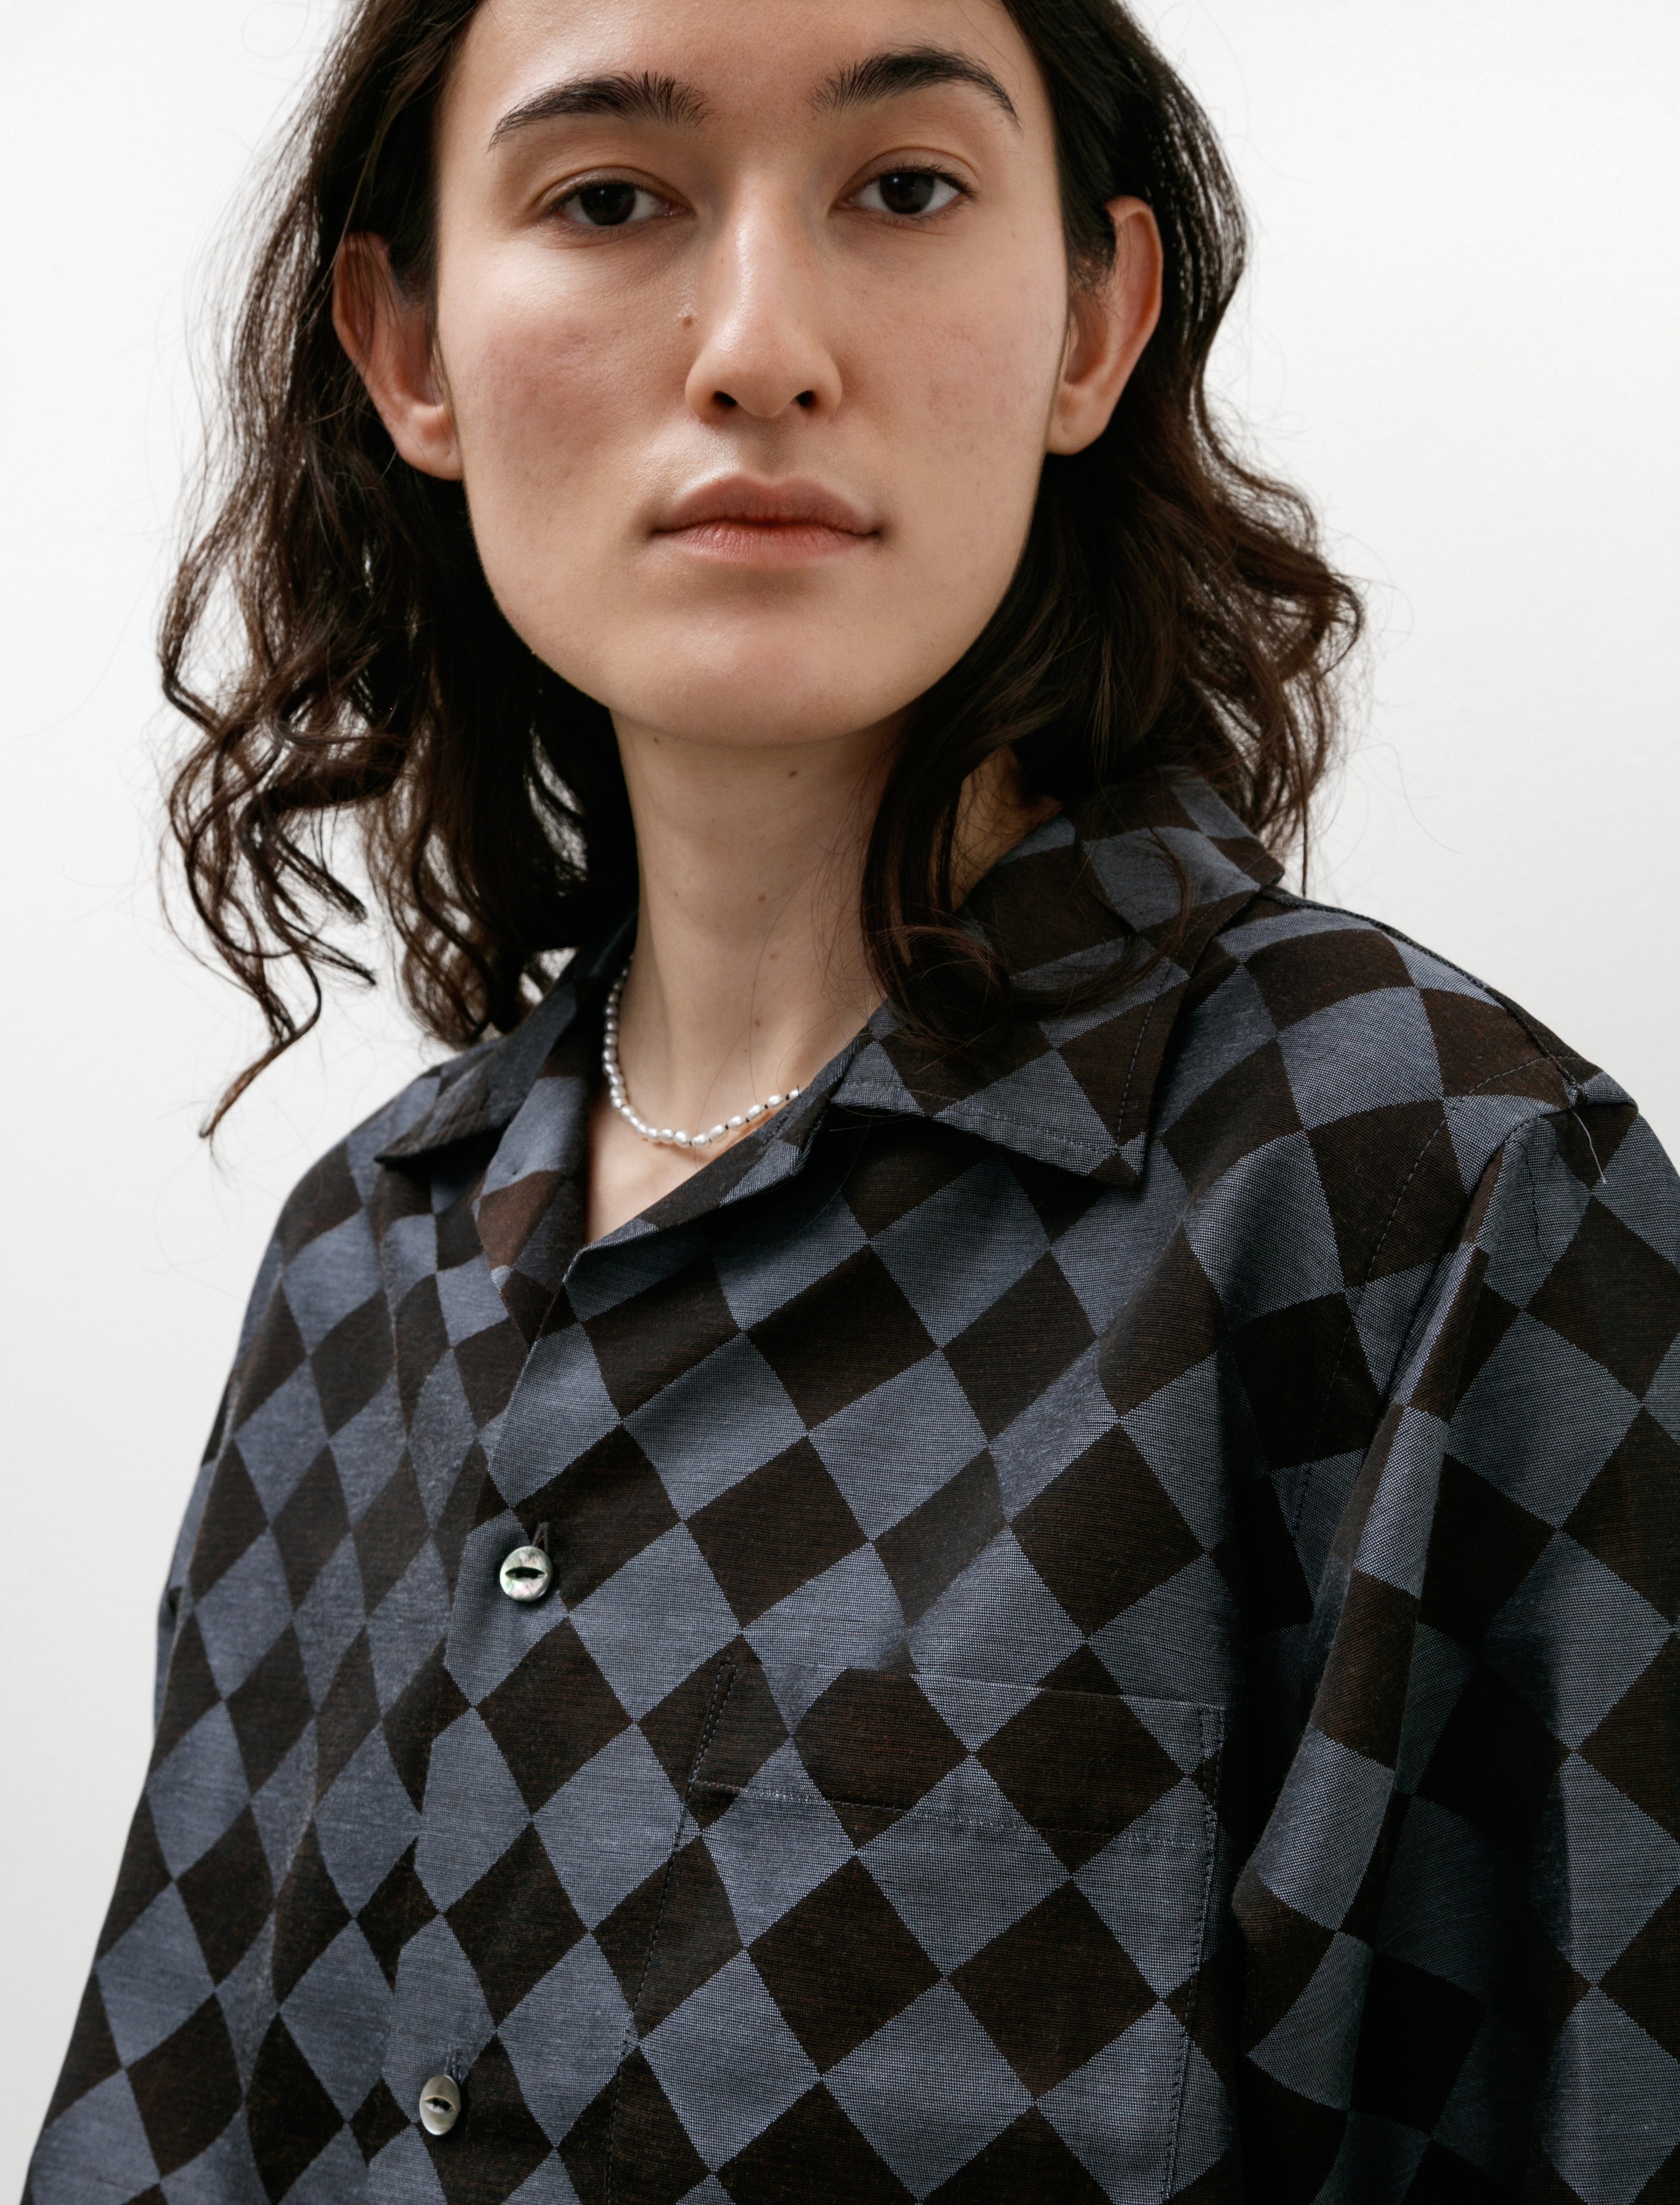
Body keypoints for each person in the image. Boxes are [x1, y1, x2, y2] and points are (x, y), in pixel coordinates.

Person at [26, 0, 1680, 2197]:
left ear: (1096, 321)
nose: (760, 349)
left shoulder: (1427, 1198)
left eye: (904, 188)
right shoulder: (363, 1257)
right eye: (608, 197)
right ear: (408, 349)